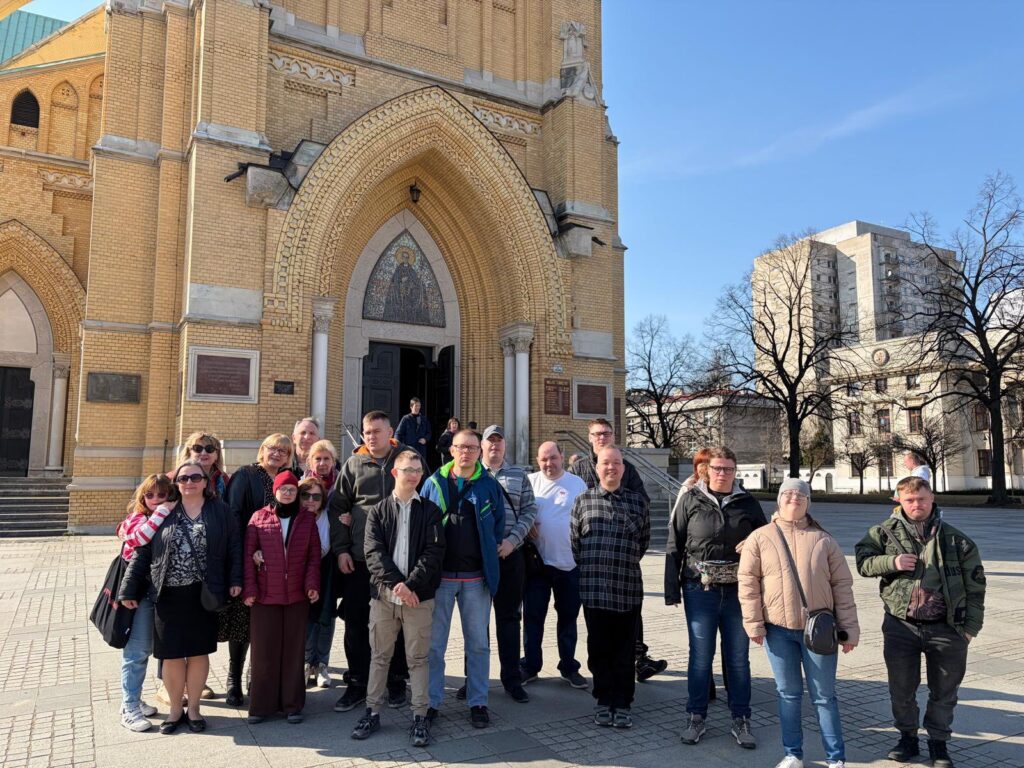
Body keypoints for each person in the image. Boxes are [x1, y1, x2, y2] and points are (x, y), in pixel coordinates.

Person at [856, 477, 985, 768]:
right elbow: (862, 562)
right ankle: (907, 738)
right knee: (901, 689)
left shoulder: (956, 539)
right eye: (910, 500)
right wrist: (891, 562)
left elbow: (976, 588)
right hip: (902, 627)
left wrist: (969, 629)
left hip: (947, 628)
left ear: (932, 498)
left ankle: (939, 743)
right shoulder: (883, 533)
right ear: (899, 500)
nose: (917, 505)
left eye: (922, 499)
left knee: (945, 691)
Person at [738, 478, 860, 768]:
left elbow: (842, 586)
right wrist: (753, 624)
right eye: (788, 494)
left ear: (808, 502)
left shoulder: (823, 539)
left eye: (801, 494)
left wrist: (849, 630)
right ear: (779, 500)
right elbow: (748, 584)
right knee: (788, 694)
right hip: (777, 631)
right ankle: (793, 753)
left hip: (818, 630)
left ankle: (836, 758)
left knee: (824, 696)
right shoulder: (760, 537)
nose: (794, 498)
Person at [119, 460, 242, 734]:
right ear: (176, 483)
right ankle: (176, 710)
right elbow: (143, 552)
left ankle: (195, 709)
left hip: (203, 593)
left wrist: (235, 580)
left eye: (195, 477)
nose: (189, 483)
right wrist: (128, 588)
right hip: (167, 593)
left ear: (205, 481)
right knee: (172, 654)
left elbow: (235, 546)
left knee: (198, 652)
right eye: (184, 478)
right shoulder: (165, 512)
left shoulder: (219, 511)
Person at [665, 445, 767, 749]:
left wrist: (753, 540)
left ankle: (741, 717)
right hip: (700, 589)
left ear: (736, 472)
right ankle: (696, 716)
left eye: (728, 469)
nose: (722, 474)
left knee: (737, 658)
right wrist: (672, 589)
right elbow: (675, 544)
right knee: (700, 657)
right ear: (706, 470)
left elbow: (768, 540)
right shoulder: (690, 499)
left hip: (739, 591)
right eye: (717, 468)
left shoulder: (747, 503)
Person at [351, 450, 445, 747]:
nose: (414, 475)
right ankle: (372, 711)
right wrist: (397, 585)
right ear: (395, 473)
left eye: (418, 470)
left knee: (418, 658)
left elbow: (434, 553)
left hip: (419, 598)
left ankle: (419, 717)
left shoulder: (430, 511)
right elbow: (373, 554)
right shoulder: (378, 511)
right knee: (380, 656)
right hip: (384, 598)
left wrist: (411, 585)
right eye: (408, 469)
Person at [569, 418, 667, 682]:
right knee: (595, 624)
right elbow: (573, 519)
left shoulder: (628, 468)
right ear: (589, 437)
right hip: (591, 559)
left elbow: (643, 508)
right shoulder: (578, 469)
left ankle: (638, 659)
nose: (602, 437)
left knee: (629, 612)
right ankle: (582, 669)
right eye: (597, 433)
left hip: (622, 558)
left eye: (607, 433)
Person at [420, 428, 505, 728]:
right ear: (451, 450)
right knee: (434, 645)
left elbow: (498, 524)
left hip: (474, 578)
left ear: (480, 452)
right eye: (460, 447)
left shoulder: (488, 485)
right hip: (440, 579)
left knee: (478, 644)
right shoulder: (434, 483)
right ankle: (430, 703)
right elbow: (422, 523)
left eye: (471, 447)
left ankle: (478, 701)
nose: (466, 452)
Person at [330, 411, 410, 712]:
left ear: (390, 431)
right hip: (361, 560)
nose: (371, 436)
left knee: (398, 624)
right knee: (356, 623)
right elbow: (338, 508)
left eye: (377, 430)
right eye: (366, 432)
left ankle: (396, 680)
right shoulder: (353, 465)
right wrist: (341, 550)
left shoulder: (408, 460)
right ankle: (358, 683)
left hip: (398, 561)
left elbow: (426, 500)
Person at [453, 424, 538, 703]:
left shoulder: (519, 475)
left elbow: (529, 511)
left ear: (504, 446)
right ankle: (474, 680)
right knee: (475, 623)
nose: (495, 446)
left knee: (509, 619)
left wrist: (513, 540)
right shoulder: (468, 474)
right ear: (482, 447)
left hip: (509, 556)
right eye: (490, 441)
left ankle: (512, 679)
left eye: (499, 442)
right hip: (476, 560)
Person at [570, 447, 650, 729]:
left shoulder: (638, 503)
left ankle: (623, 702)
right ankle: (603, 699)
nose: (611, 468)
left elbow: (642, 543)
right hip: (594, 590)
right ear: (597, 468)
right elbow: (576, 545)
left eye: (616, 463)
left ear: (623, 468)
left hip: (627, 589)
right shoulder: (582, 501)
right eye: (606, 463)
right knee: (598, 648)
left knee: (625, 651)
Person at [221, 433, 293, 707]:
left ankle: (258, 678)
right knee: (242, 625)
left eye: (284, 451)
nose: (277, 454)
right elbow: (234, 517)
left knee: (265, 626)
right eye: (272, 448)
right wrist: (247, 554)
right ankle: (234, 680)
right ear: (262, 450)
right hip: (249, 562)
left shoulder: (289, 478)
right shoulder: (246, 475)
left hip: (278, 567)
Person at [243, 471, 321, 724]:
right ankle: (261, 706)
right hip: (266, 595)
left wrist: (311, 585)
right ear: (274, 491)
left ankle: (292, 705)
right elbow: (248, 557)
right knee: (264, 651)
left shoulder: (307, 520)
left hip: (297, 595)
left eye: (291, 489)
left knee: (293, 651)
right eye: (283, 489)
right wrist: (250, 590)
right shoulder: (259, 518)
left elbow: (313, 557)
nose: (287, 493)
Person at [522, 440, 589, 690]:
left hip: (569, 565)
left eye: (553, 458)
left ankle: (569, 666)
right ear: (537, 461)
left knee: (568, 618)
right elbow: (520, 514)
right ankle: (530, 666)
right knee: (532, 618)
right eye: (543, 459)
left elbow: (585, 516)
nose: (548, 463)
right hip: (537, 565)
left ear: (562, 457)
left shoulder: (577, 484)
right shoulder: (530, 482)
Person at [116, 474, 176, 732]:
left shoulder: (167, 519)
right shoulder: (138, 519)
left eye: (161, 495)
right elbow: (141, 538)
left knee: (149, 649)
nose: (154, 500)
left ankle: (135, 699)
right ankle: (128, 707)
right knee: (137, 652)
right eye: (149, 495)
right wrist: (163, 510)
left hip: (159, 594)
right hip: (138, 595)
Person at [302, 444, 339, 688]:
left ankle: (322, 663)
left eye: (327, 458)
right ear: (309, 461)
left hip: (330, 563)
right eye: (318, 458)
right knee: (306, 615)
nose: (323, 463)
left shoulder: (340, 487)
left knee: (327, 614)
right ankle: (307, 662)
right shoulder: (301, 487)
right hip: (303, 565)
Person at [395, 398, 432, 465]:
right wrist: (398, 447)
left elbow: (429, 433)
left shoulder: (424, 419)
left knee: (421, 468)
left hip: (421, 449)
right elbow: (398, 434)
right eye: (416, 406)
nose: (418, 408)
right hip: (409, 449)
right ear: (411, 407)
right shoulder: (405, 419)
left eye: (419, 406)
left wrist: (425, 439)